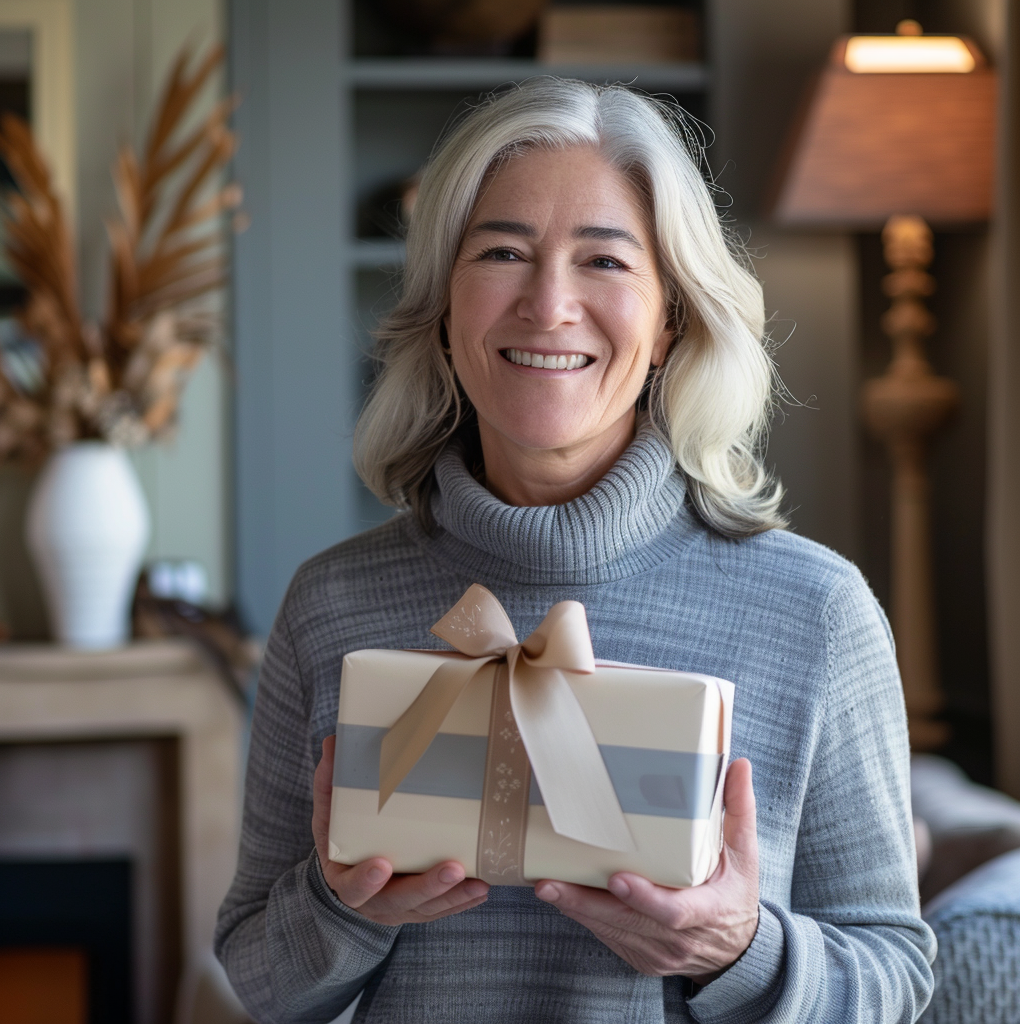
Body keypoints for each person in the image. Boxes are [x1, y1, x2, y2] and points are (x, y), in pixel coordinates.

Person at [215, 78, 936, 1023]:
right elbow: (257, 977)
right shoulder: (331, 604)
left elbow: (896, 980)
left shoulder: (818, 613)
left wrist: (737, 952)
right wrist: (337, 910)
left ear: (671, 317)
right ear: (442, 305)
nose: (549, 305)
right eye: (503, 252)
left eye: (604, 261)